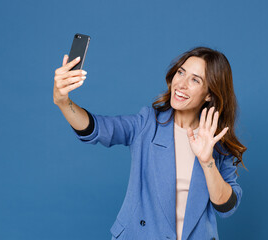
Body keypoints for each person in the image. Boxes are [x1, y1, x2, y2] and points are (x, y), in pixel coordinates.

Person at [53, 46, 247, 240]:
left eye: (195, 80)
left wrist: (207, 161)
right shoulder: (147, 123)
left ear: (209, 94)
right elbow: (99, 128)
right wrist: (63, 102)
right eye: (181, 72)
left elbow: (226, 207)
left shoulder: (218, 143)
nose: (181, 84)